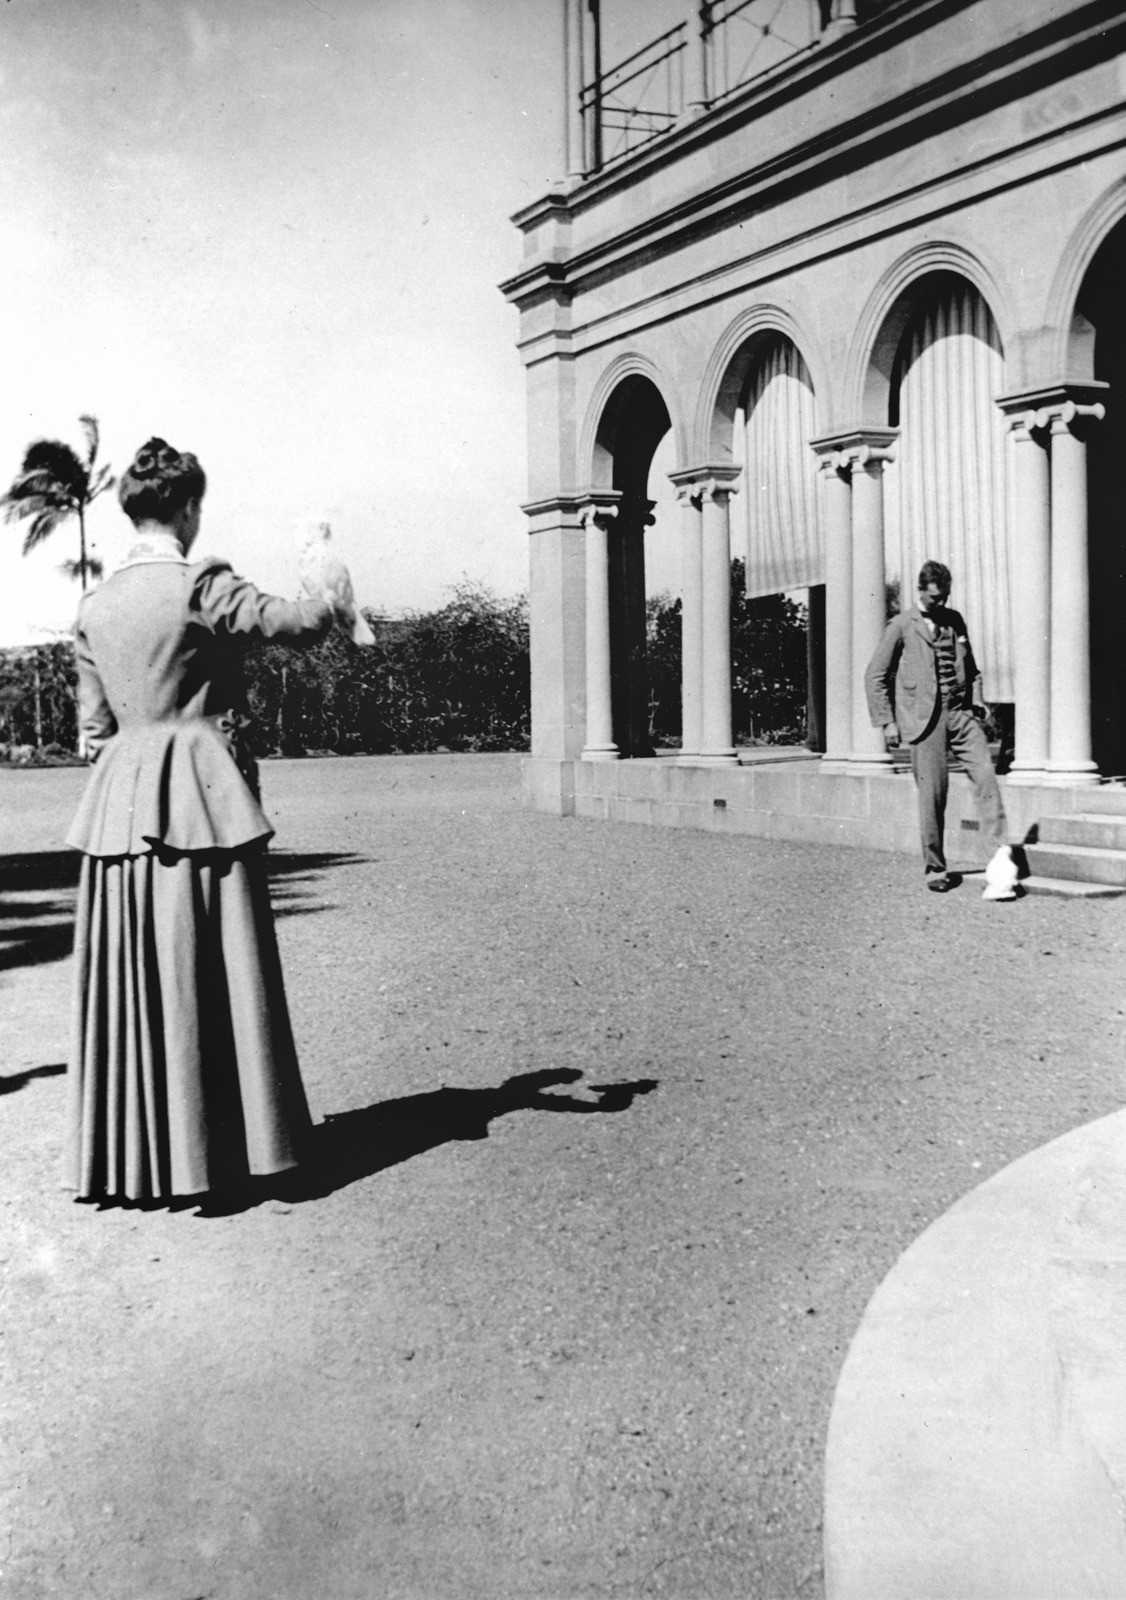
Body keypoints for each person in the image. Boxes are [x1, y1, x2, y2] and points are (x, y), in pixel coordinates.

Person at [64, 437, 337, 1204]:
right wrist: (327, 585)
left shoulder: (95, 604)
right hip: (201, 797)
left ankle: (143, 1160)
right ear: (187, 508)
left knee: (143, 970)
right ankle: (233, 1149)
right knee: (217, 964)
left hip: (120, 807)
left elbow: (92, 734)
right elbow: (295, 623)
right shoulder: (199, 583)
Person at [865, 559, 1016, 900]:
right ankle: (936, 866)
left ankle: (1001, 864)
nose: (941, 604)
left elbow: (972, 668)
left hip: (960, 714)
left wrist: (978, 700)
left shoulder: (954, 619)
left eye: (945, 597)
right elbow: (875, 675)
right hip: (924, 720)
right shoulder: (901, 625)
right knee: (933, 796)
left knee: (986, 780)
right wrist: (887, 721)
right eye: (935, 599)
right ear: (921, 591)